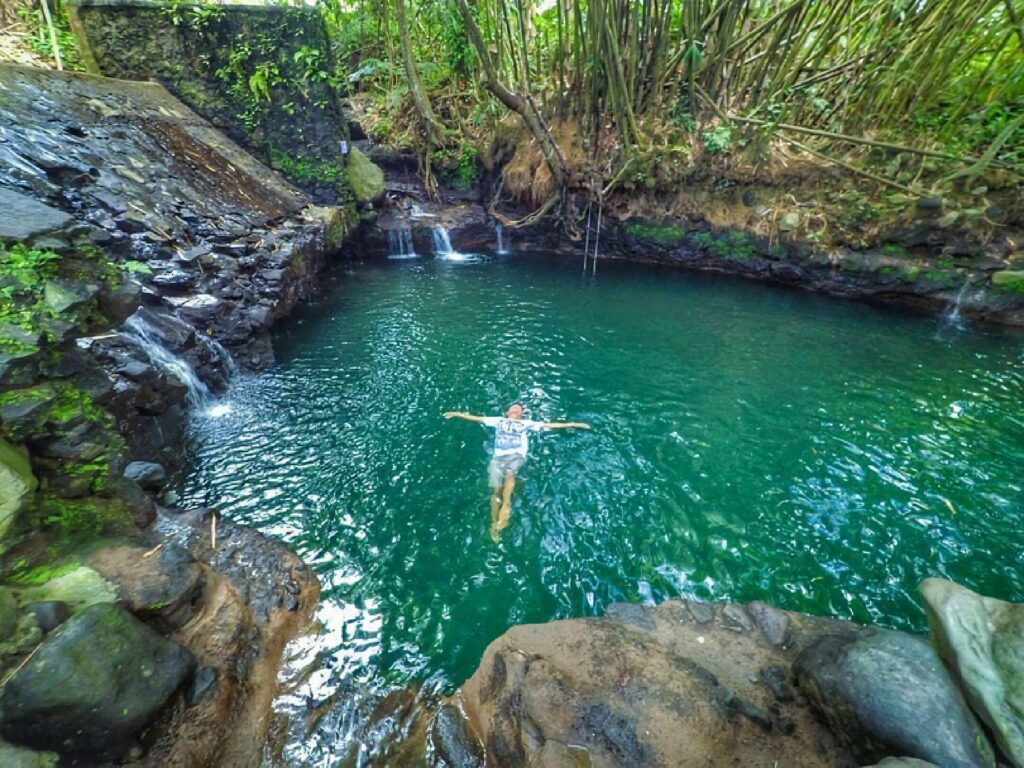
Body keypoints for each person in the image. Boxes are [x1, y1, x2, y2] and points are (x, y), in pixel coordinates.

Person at [443, 403, 591, 542]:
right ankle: (494, 523)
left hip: (516, 456)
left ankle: (506, 503)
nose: (515, 410)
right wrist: (457, 414)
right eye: (513, 408)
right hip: (498, 458)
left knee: (510, 474)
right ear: (507, 412)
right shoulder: (498, 420)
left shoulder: (526, 423)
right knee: (495, 491)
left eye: (518, 409)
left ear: (521, 414)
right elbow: (477, 418)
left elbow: (549, 425)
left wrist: (573, 424)